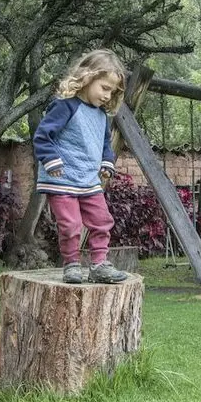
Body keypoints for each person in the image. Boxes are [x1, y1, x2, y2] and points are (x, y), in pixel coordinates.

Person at [33, 49, 128, 284]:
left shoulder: (101, 115)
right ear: (87, 77)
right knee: (71, 225)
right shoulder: (65, 106)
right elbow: (42, 136)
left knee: (102, 220)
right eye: (104, 88)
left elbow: (104, 144)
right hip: (62, 179)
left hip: (88, 179)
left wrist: (107, 162)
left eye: (112, 91)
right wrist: (51, 159)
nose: (107, 95)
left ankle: (99, 264)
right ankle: (72, 264)